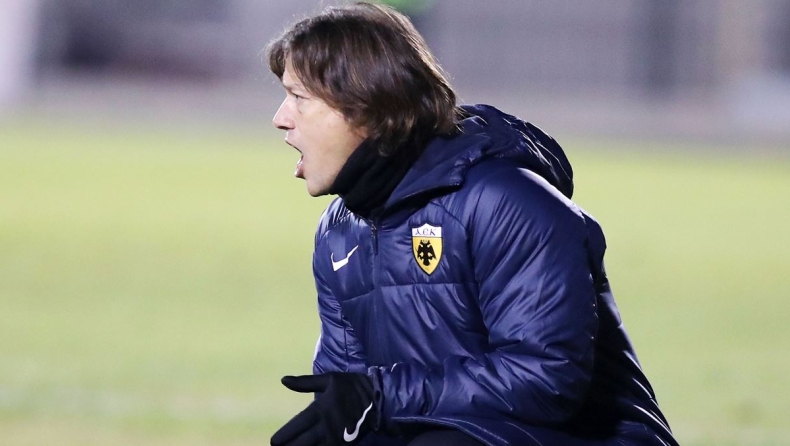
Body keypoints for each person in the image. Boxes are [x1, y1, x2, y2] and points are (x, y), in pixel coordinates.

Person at [265, 3, 678, 446]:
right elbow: (350, 395)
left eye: (299, 98)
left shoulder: (507, 201)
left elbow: (547, 379)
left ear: (366, 106)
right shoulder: (339, 230)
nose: (280, 118)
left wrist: (383, 396)